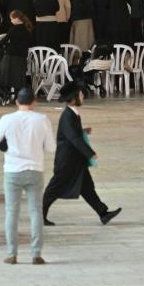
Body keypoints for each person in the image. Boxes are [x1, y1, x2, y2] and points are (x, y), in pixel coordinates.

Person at [41, 82, 120, 227]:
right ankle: (40, 216)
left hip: (76, 161)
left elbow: (73, 134)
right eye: (80, 94)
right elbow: (73, 138)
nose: (83, 96)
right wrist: (90, 153)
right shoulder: (68, 116)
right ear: (74, 97)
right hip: (67, 162)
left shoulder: (72, 114)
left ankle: (103, 213)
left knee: (88, 188)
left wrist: (83, 131)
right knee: (53, 189)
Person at [0, 86, 55, 265]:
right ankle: (36, 253)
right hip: (35, 169)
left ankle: (12, 253)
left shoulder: (7, 119)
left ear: (16, 101)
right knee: (36, 211)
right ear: (34, 101)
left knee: (12, 212)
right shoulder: (42, 119)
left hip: (12, 170)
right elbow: (51, 147)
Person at [0, 10, 32, 94]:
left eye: (12, 19)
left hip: (12, 56)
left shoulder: (14, 29)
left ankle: (6, 94)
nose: (11, 21)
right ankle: (18, 95)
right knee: (19, 78)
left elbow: (4, 40)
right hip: (22, 56)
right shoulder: (27, 28)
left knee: (7, 77)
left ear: (17, 19)